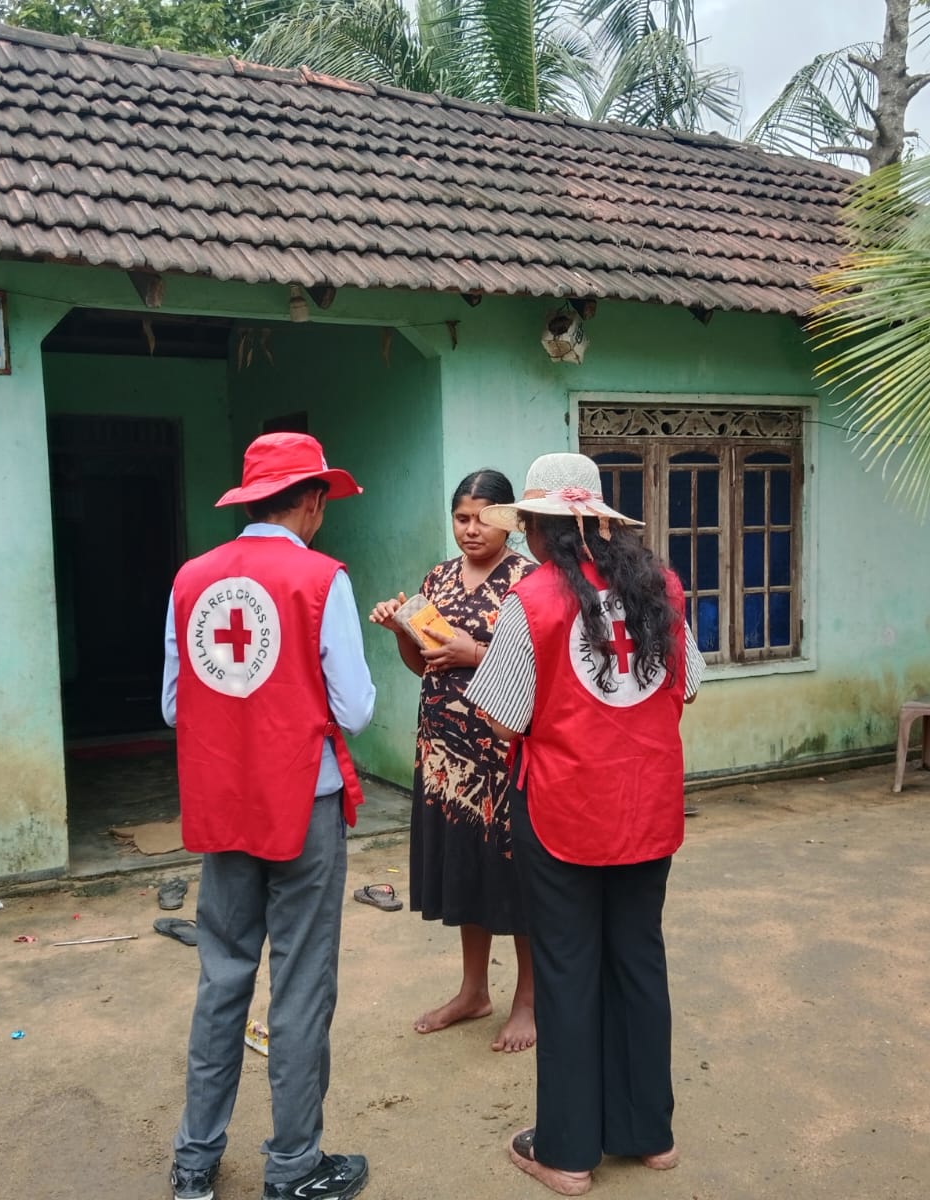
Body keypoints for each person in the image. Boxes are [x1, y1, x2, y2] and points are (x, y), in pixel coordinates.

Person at [465, 453, 703, 1196]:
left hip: (564, 810)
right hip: (648, 806)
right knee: (639, 958)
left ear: (541, 530)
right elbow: (689, 685)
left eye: (529, 525)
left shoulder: (534, 599)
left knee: (567, 969)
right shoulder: (661, 586)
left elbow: (504, 718)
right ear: (600, 524)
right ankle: (650, 1134)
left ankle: (567, 1151)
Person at [160, 432, 377, 1200]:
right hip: (303, 807)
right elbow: (354, 707)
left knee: (222, 976)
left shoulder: (191, 579)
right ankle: (292, 1167)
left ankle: (194, 1163)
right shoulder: (321, 579)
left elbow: (175, 705)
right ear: (312, 500)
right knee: (301, 983)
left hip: (223, 806)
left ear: (251, 500)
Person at [367, 469, 537, 1052]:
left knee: (513, 872)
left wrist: (477, 652)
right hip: (444, 753)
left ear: (508, 522)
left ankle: (528, 1000)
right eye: (461, 518)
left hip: (502, 753)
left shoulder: (528, 581)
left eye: (483, 519)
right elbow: (424, 665)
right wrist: (400, 631)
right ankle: (473, 991)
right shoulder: (437, 579)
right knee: (465, 865)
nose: (471, 530)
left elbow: (540, 666)